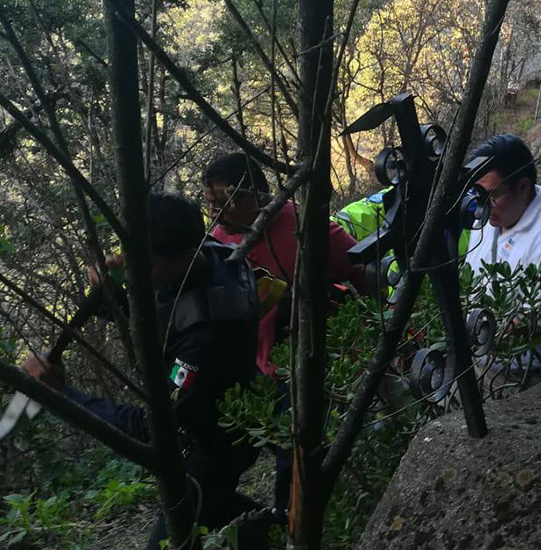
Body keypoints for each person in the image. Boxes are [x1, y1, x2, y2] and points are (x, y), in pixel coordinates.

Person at [22, 192, 265, 550]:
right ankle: (268, 525)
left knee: (182, 525)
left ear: (183, 257)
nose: (131, 270)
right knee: (217, 510)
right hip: (228, 417)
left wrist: (63, 395)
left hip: (217, 446)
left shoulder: (204, 342)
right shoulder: (212, 253)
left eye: (143, 263)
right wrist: (111, 295)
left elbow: (154, 426)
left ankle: (269, 527)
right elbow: (164, 317)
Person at [202, 153, 367, 377]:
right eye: (211, 205)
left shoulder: (305, 225)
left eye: (224, 204)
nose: (215, 215)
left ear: (256, 196)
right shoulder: (218, 243)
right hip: (262, 374)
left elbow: (364, 269)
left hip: (325, 367)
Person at [464, 134, 541, 327]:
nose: (482, 206)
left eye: (492, 195)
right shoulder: (487, 221)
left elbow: (535, 327)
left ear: (522, 187)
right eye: (478, 195)